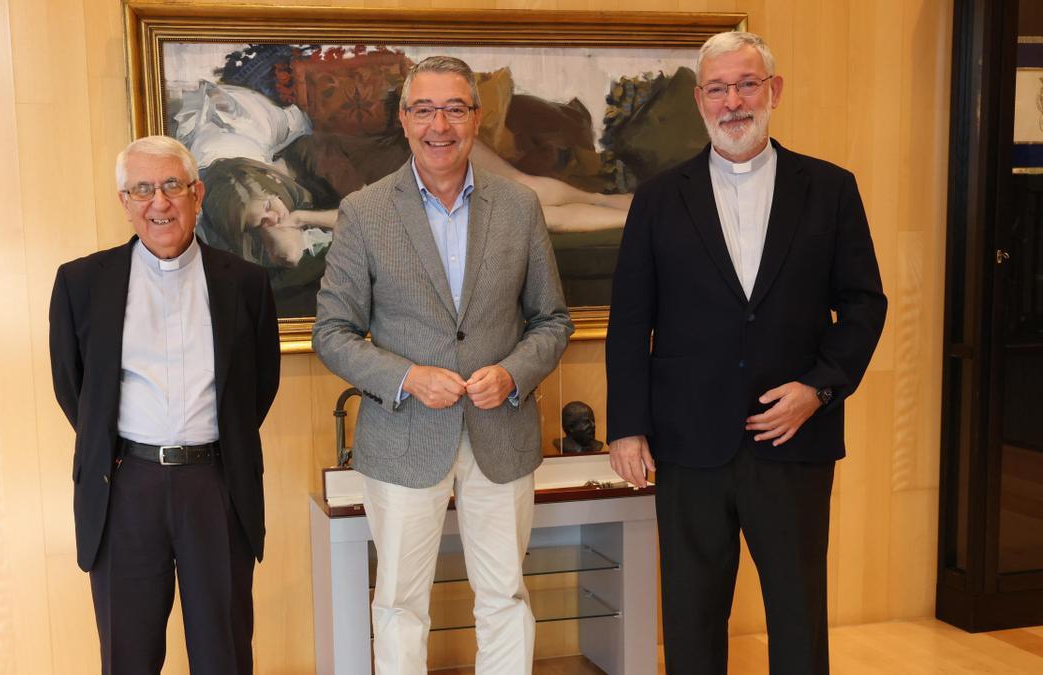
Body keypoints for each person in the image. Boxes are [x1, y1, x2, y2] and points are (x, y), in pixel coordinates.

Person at [605, 31, 886, 674]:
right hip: (686, 443)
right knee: (692, 615)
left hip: (793, 439)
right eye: (718, 88)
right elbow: (632, 322)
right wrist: (627, 428)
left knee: (798, 613)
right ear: (700, 100)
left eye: (746, 84)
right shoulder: (656, 198)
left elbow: (865, 305)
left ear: (773, 92)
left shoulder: (831, 189)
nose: (733, 101)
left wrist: (819, 388)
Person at [312, 56, 573, 674]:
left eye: (455, 108)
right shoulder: (366, 211)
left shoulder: (519, 207)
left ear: (476, 118)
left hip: (500, 435)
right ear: (403, 120)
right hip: (402, 440)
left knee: (505, 597)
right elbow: (333, 332)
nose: (440, 124)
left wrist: (512, 373)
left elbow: (553, 321)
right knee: (400, 603)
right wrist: (406, 377)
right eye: (424, 109)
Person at [49, 135, 280, 674]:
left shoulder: (245, 283)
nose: (160, 202)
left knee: (223, 651)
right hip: (124, 487)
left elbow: (258, 384)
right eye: (143, 189)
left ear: (197, 194)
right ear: (125, 202)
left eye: (172, 186)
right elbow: (75, 389)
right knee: (128, 654)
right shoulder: (82, 283)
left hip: (215, 485)